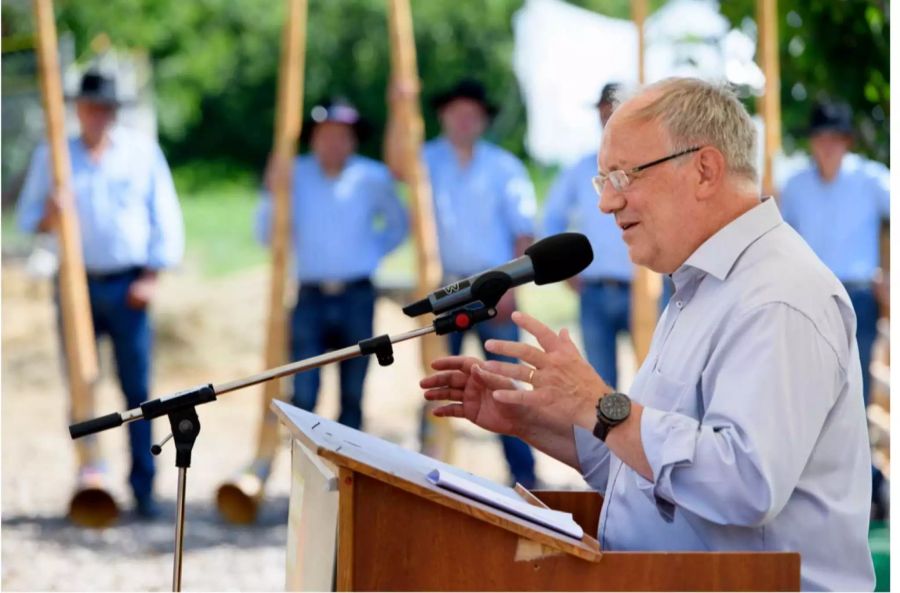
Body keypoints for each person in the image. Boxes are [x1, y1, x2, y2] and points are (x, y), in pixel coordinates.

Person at [420, 78, 874, 590]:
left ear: (705, 170)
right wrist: (534, 418)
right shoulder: (700, 284)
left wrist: (601, 407)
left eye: (623, 175)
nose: (607, 204)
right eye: (602, 181)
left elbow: (745, 485)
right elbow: (651, 472)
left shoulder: (777, 296)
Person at [16, 69, 185, 520]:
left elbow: (164, 216)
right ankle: (92, 477)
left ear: (113, 112)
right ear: (78, 110)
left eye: (105, 108)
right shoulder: (54, 155)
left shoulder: (141, 152)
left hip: (129, 283)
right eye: (90, 107)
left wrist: (152, 275)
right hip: (75, 285)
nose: (97, 115)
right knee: (82, 385)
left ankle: (144, 486)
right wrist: (51, 213)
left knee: (137, 390)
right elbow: (26, 218)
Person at [387, 78, 540, 488]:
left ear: (483, 120)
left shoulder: (504, 166)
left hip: (494, 287)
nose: (464, 120)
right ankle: (428, 474)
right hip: (444, 289)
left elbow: (523, 233)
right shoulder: (426, 159)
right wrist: (398, 111)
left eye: (472, 114)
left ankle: (525, 477)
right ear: (443, 116)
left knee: (506, 384)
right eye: (457, 112)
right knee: (439, 380)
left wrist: (512, 287)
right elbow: (396, 166)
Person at [257, 99, 408, 430]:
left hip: (357, 294)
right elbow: (266, 235)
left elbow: (399, 224)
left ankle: (348, 473)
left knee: (353, 393)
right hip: (310, 295)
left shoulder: (373, 177)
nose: (334, 143)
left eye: (342, 136)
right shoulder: (293, 174)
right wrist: (271, 192)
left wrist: (370, 252)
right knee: (304, 392)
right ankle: (305, 471)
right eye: (326, 135)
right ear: (313, 139)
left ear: (353, 140)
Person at [780, 100, 890, 409]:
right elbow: (780, 240)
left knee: (857, 384)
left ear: (846, 141)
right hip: (809, 296)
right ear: (812, 141)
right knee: (809, 381)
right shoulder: (795, 185)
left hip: (859, 295)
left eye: (834, 138)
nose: (827, 146)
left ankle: (860, 457)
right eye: (821, 137)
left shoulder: (871, 179)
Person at [542, 82, 633, 387]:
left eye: (615, 113)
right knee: (600, 383)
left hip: (643, 287)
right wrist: (565, 269)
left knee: (658, 378)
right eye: (604, 114)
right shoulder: (581, 169)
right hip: (594, 288)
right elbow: (551, 217)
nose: (608, 121)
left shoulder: (648, 166)